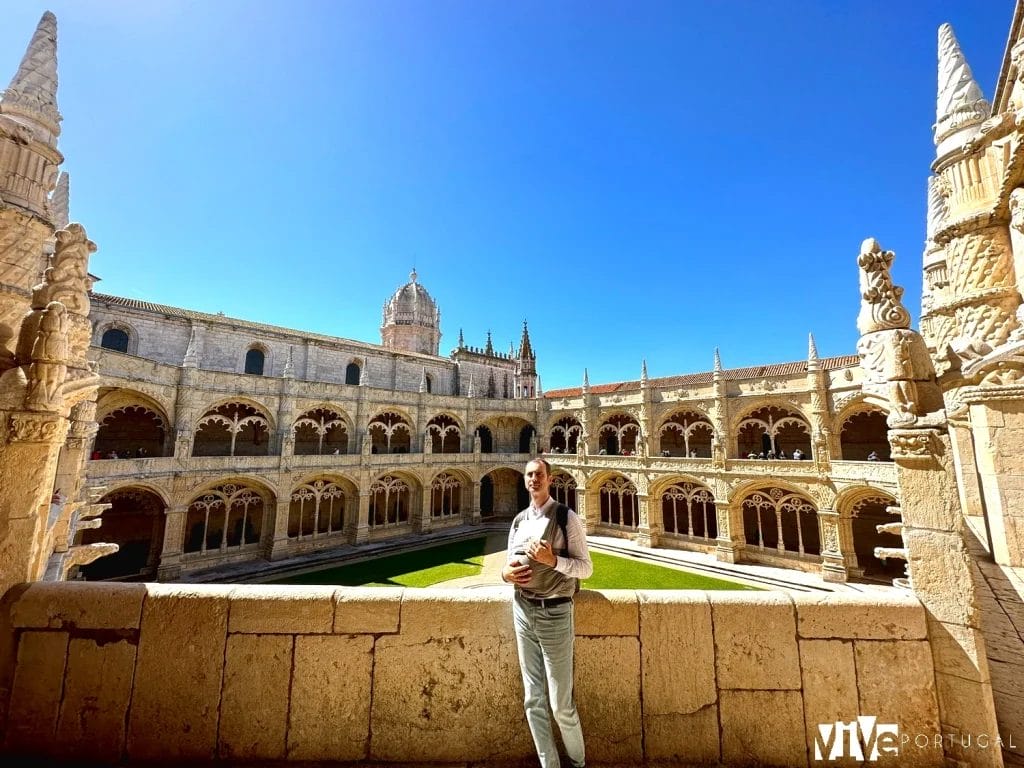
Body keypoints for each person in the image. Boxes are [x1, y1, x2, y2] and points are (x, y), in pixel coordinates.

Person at [502, 458, 593, 768]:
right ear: (525, 480)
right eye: (529, 475)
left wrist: (552, 561)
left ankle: (578, 763)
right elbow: (505, 567)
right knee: (533, 700)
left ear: (549, 479)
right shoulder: (518, 521)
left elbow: (586, 568)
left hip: (555, 611)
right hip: (523, 609)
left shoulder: (567, 517)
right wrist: (507, 575)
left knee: (561, 705)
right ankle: (549, 765)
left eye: (539, 474)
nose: (533, 480)